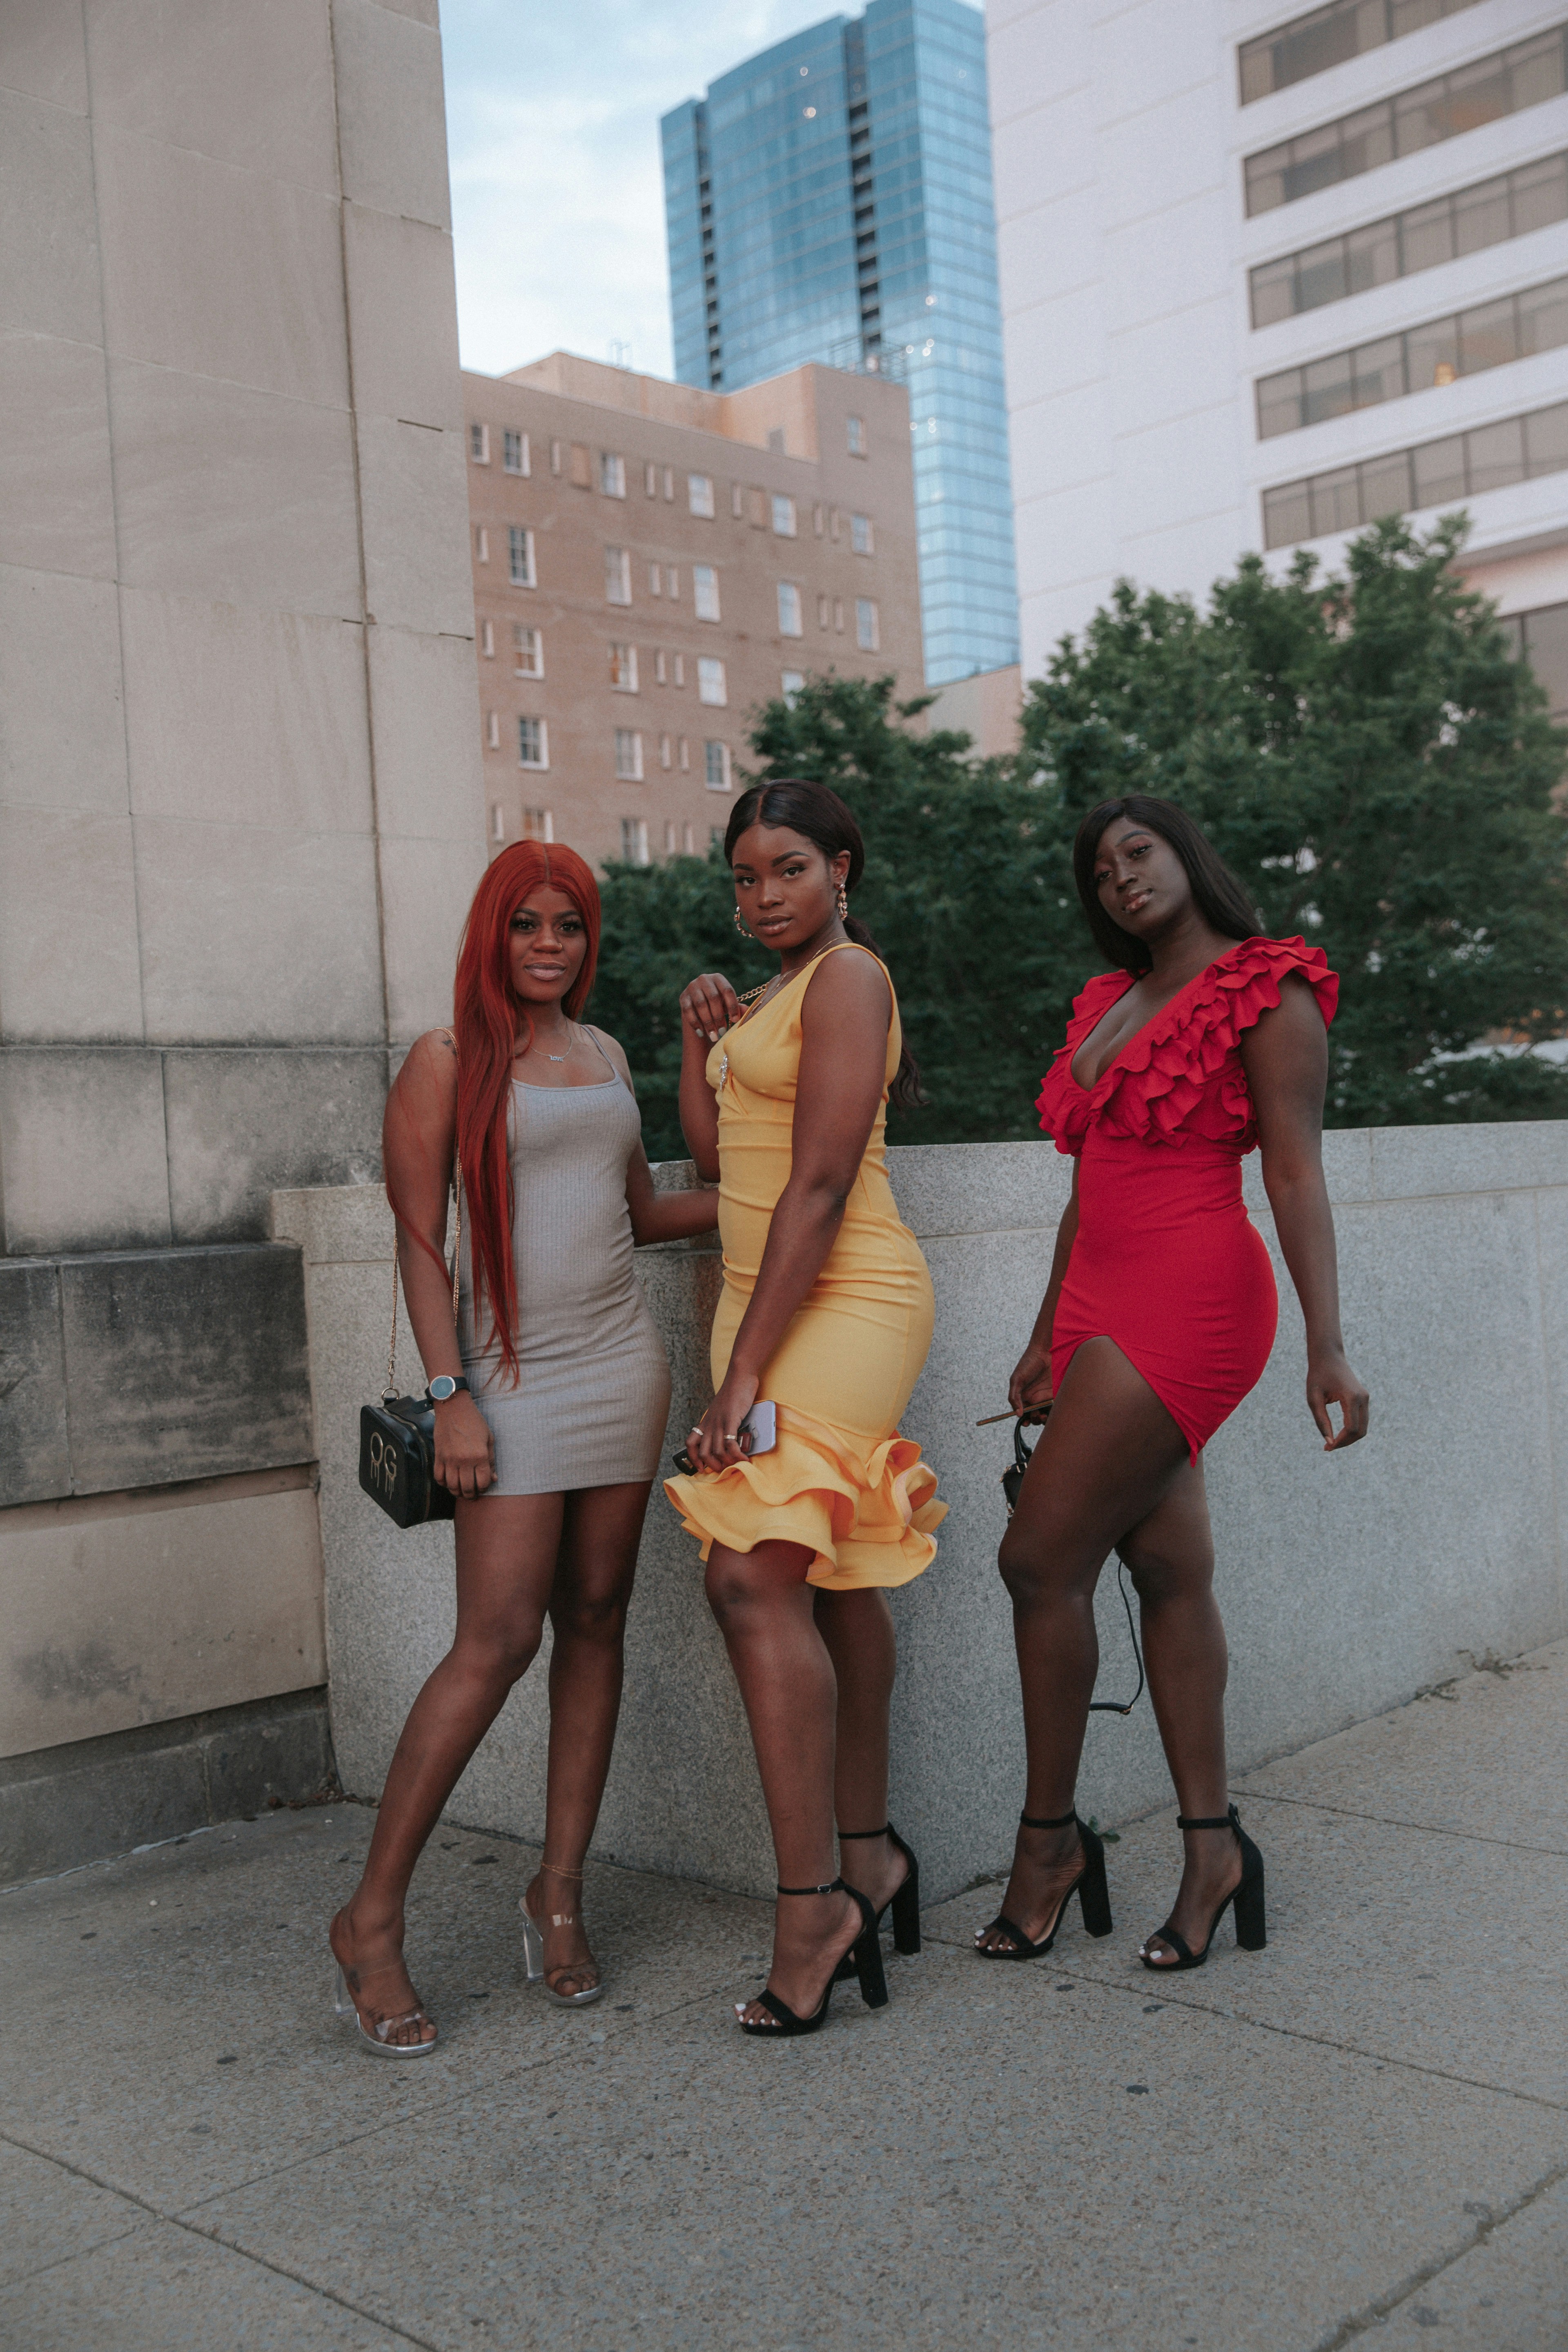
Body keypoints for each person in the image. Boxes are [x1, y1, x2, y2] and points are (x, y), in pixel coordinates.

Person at [329, 841, 718, 2054]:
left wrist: (802, 1185)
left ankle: (558, 1893)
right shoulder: (445, 1060)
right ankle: (371, 1921)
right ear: (492, 934)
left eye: (571, 926)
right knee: (495, 1643)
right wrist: (451, 1395)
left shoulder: (603, 1055)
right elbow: (418, 1241)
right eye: (528, 925)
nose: (550, 945)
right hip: (503, 1380)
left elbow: (642, 1213)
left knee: (596, 1619)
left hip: (621, 1370)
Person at [977, 794, 1369, 1975]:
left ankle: (1049, 1846)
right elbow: (1088, 1184)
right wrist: (1044, 1331)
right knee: (1166, 1567)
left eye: (1138, 852)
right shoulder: (1110, 999)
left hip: (1194, 1293)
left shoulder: (1268, 986)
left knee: (1038, 1563)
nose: (1122, 877)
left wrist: (1327, 1343)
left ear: (1188, 855)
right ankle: (1213, 1850)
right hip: (1095, 1300)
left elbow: (1295, 1175)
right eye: (1101, 870)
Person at [667, 780, 945, 2037]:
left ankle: (812, 1909)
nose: (764, 894)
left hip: (846, 1295)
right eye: (745, 877)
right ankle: (871, 1858)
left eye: (788, 868)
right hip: (762, 1299)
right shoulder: (775, 997)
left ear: (842, 869)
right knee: (830, 1576)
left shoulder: (850, 980)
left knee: (750, 1578)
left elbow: (823, 1185)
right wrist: (698, 1044)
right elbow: (722, 1159)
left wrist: (742, 1379)